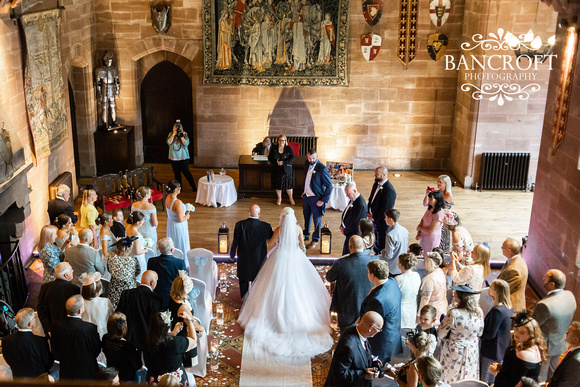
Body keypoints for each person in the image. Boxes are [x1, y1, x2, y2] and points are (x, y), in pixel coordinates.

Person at [238, 207, 333, 358]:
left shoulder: (279, 229)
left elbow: (270, 243)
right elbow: (302, 245)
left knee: (273, 286)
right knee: (299, 286)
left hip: (280, 256)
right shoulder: (298, 229)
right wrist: (300, 252)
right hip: (296, 257)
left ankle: (271, 316)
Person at [532, 269, 577, 381]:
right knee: (552, 375)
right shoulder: (570, 295)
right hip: (561, 343)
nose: (543, 278)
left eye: (546, 277)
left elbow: (533, 325)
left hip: (545, 347)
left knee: (540, 378)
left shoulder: (544, 305)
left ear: (552, 284)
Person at [358, 259, 403, 363]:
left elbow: (369, 321)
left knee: (375, 367)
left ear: (372, 275)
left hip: (380, 341)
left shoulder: (377, 300)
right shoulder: (392, 282)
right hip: (393, 333)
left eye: (368, 272)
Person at [438, 285, 484, 383]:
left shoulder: (454, 313)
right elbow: (480, 332)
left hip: (454, 352)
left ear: (459, 298)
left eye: (455, 295)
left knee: (452, 379)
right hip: (471, 351)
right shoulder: (479, 312)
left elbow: (441, 333)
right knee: (468, 380)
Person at [326, 235, 373, 332]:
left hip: (346, 307)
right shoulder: (373, 261)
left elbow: (329, 278)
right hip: (368, 306)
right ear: (364, 246)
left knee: (346, 334)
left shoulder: (341, 263)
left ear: (350, 247)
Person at [324, 311, 384, 387]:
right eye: (379, 329)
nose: (379, 331)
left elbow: (362, 351)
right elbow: (339, 374)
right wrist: (364, 374)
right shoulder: (348, 347)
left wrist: (373, 359)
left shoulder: (358, 329)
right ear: (371, 328)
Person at [50, 294, 101, 380]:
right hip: (87, 371)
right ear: (79, 310)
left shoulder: (56, 326)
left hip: (66, 370)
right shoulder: (90, 328)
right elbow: (96, 349)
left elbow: (55, 349)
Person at [491, 311, 547, 386]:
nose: (517, 334)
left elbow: (513, 383)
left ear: (532, 334)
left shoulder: (521, 354)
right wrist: (501, 367)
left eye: (522, 333)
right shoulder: (536, 348)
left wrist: (495, 372)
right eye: (516, 329)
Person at [230, 204, 274, 299]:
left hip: (244, 258)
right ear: (259, 214)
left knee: (243, 280)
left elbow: (235, 241)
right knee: (258, 280)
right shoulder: (266, 226)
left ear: (249, 213)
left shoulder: (240, 225)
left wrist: (232, 254)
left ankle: (244, 299)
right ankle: (256, 299)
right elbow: (272, 239)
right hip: (259, 257)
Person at [144, 310, 197, 385]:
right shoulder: (175, 343)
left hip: (154, 381)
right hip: (173, 381)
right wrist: (189, 322)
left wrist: (173, 333)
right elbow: (193, 340)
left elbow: (161, 340)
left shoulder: (146, 340)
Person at [0, 308, 53, 379]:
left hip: (18, 379)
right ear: (30, 324)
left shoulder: (6, 340)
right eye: (34, 318)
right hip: (39, 380)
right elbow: (48, 363)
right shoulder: (40, 341)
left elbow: (8, 359)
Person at [116, 270, 163, 350]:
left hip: (127, 339)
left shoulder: (126, 294)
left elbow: (118, 316)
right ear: (152, 283)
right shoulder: (156, 300)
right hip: (147, 342)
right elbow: (156, 325)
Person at [481, 279, 514, 385]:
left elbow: (490, 334)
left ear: (497, 291)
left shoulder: (497, 310)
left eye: (492, 287)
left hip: (491, 351)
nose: (490, 288)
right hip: (501, 349)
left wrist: (478, 334)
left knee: (486, 380)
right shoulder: (509, 307)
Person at [168, 272, 205, 368]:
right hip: (186, 335)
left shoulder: (172, 297)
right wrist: (201, 328)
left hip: (178, 332)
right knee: (187, 363)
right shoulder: (183, 307)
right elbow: (192, 324)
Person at [302, 148, 333, 249]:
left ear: (317, 157)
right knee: (306, 216)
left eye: (312, 158)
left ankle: (315, 240)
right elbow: (307, 179)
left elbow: (329, 186)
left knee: (317, 220)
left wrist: (323, 200)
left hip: (316, 198)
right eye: (309, 158)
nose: (310, 160)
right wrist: (305, 191)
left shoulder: (322, 168)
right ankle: (306, 234)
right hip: (306, 196)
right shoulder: (307, 164)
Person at [37, 262, 80, 333]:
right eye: (71, 269)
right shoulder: (74, 289)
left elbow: (40, 309)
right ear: (66, 275)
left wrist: (48, 329)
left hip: (51, 329)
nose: (73, 271)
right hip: (69, 330)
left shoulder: (45, 287)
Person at [148, 237, 188, 309]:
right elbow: (185, 280)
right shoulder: (180, 263)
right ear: (172, 250)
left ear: (159, 250)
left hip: (156, 297)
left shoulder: (152, 261)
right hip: (174, 298)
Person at [102, 312, 142, 382]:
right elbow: (138, 365)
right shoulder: (129, 347)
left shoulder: (105, 339)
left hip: (111, 377)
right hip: (126, 380)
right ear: (124, 328)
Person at [367, 166, 397, 254]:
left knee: (381, 241)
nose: (375, 175)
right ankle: (376, 252)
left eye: (377, 174)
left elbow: (386, 209)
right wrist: (368, 211)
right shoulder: (376, 183)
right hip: (374, 219)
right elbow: (371, 199)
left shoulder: (389, 190)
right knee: (376, 238)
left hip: (382, 222)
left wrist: (374, 217)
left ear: (384, 175)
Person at [423, 175, 454, 257]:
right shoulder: (437, 193)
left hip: (442, 223)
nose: (438, 184)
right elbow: (426, 204)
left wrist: (434, 199)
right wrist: (427, 195)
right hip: (434, 219)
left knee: (441, 244)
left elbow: (439, 207)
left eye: (441, 182)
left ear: (446, 184)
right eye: (438, 181)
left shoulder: (448, 195)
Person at [497, 237, 529, 313]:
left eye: (502, 247)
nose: (501, 249)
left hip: (511, 308)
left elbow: (504, 289)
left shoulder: (514, 270)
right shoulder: (518, 260)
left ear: (508, 251)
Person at [108, 236, 140, 309]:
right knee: (128, 309)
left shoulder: (111, 257)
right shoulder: (133, 260)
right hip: (129, 289)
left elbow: (109, 270)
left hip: (114, 289)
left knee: (114, 309)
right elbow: (137, 272)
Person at [80, 271, 113, 339]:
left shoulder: (80, 302)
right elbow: (110, 316)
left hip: (85, 334)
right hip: (102, 332)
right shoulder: (105, 302)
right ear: (97, 292)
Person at [167, 120, 197, 192]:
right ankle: (179, 189)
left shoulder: (184, 134)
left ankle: (194, 187)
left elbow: (186, 144)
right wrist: (173, 134)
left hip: (184, 158)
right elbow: (169, 142)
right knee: (177, 175)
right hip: (174, 158)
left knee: (187, 173)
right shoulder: (171, 134)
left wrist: (181, 136)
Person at [418, 252, 448, 322]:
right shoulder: (440, 271)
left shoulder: (429, 279)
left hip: (432, 312)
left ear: (429, 263)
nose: (423, 262)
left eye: (425, 261)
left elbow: (425, 299)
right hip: (443, 308)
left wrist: (419, 315)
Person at [396, 253, 422, 332]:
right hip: (413, 306)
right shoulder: (416, 275)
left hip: (401, 308)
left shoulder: (398, 279)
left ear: (401, 265)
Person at [549, 321, 580, 387]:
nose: (566, 332)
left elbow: (566, 384)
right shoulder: (574, 351)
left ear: (576, 339)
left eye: (569, 331)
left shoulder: (576, 360)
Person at [341, 182, 368, 255]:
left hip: (353, 235)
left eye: (348, 194)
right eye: (346, 194)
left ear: (355, 191)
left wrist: (345, 231)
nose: (347, 196)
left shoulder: (360, 205)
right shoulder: (353, 199)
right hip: (349, 233)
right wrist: (342, 225)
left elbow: (356, 224)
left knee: (348, 255)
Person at [94, 50, 120, 128]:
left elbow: (117, 81)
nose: (109, 62)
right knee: (105, 106)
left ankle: (114, 121)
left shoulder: (113, 69)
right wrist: (99, 94)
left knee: (112, 105)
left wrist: (118, 91)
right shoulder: (101, 70)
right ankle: (105, 123)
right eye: (108, 60)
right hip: (104, 87)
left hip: (112, 87)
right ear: (105, 61)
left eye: (110, 60)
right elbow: (98, 83)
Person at [268, 134, 296, 205]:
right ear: (278, 141)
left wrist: (284, 163)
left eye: (283, 140)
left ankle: (291, 198)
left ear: (285, 141)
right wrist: (276, 162)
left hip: (287, 169)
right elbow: (270, 158)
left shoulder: (288, 148)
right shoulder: (274, 148)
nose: (281, 142)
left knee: (288, 185)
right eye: (280, 140)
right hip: (277, 169)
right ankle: (279, 198)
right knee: (278, 185)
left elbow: (292, 157)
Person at [165, 179, 191, 256]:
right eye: (179, 187)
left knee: (173, 242)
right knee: (180, 242)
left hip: (171, 223)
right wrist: (187, 215)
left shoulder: (168, 197)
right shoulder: (177, 202)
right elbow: (181, 219)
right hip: (178, 226)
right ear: (176, 189)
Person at [132, 186, 158, 261]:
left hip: (138, 231)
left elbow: (133, 218)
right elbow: (155, 223)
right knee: (150, 252)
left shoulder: (134, 205)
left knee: (139, 250)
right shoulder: (151, 207)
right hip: (149, 233)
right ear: (146, 195)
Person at [381, 209, 409, 276]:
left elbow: (388, 255)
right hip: (403, 265)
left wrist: (383, 251)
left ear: (390, 219)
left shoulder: (390, 235)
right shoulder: (405, 230)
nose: (385, 219)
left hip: (392, 267)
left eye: (386, 217)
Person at [416, 190, 446, 254]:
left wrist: (420, 228)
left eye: (431, 198)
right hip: (424, 236)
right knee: (423, 253)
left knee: (429, 255)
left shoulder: (438, 214)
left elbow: (431, 231)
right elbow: (423, 219)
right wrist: (419, 232)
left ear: (437, 200)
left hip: (431, 239)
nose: (429, 200)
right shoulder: (430, 208)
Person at [126, 211, 149, 283]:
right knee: (139, 278)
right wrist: (146, 250)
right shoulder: (137, 234)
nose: (143, 221)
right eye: (142, 220)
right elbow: (137, 251)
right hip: (138, 259)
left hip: (130, 255)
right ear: (138, 222)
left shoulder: (128, 227)